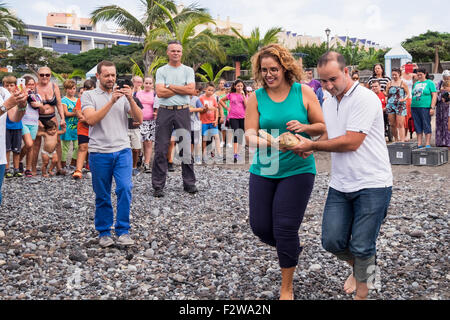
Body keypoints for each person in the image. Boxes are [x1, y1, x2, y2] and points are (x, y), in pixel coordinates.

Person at [290, 51, 393, 300]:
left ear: (346, 72)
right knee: (332, 241)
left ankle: (362, 293)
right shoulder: (328, 99)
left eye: (332, 79)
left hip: (373, 183)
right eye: (323, 81)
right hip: (341, 183)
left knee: (361, 245)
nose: (328, 85)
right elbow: (333, 133)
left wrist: (312, 146)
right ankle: (363, 269)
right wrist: (311, 143)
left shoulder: (365, 99)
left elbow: (351, 142)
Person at [245, 43, 326, 300]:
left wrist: (303, 127)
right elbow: (249, 134)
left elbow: (321, 127)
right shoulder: (255, 97)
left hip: (298, 168)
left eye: (274, 69)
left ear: (284, 68)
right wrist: (271, 141)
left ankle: (287, 287)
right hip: (265, 167)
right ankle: (290, 249)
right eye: (264, 70)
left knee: (285, 227)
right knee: (259, 227)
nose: (269, 74)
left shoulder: (303, 92)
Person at [81, 60, 143, 248]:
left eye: (113, 75)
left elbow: (139, 119)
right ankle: (104, 231)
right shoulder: (89, 96)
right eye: (107, 75)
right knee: (102, 194)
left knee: (125, 188)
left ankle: (123, 230)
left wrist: (130, 98)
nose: (111, 78)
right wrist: (112, 101)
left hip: (122, 149)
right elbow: (91, 120)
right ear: (98, 76)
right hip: (99, 152)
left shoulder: (124, 95)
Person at [152, 40, 197, 198]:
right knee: (161, 149)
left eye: (178, 51)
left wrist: (170, 86)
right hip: (165, 111)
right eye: (173, 51)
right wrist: (181, 89)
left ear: (182, 53)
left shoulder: (188, 70)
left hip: (183, 111)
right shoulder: (161, 70)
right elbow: (160, 93)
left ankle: (189, 183)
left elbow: (191, 90)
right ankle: (158, 185)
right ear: (167, 52)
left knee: (185, 147)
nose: (176, 53)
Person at [33, 66, 66, 176]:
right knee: (36, 143)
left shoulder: (54, 86)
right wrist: (36, 121)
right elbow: (30, 106)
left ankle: (59, 167)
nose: (44, 77)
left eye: (47, 75)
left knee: (57, 142)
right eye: (42, 75)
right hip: (38, 117)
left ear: (50, 75)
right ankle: (32, 168)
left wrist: (62, 118)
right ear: (38, 75)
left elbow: (59, 104)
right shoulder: (35, 87)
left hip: (51, 116)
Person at [0, 80, 28, 205]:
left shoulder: (3, 92)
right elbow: (5, 107)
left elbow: (15, 117)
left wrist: (22, 105)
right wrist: (5, 106)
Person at [20, 76, 44, 177]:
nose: (31, 86)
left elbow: (42, 111)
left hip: (34, 122)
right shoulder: (22, 95)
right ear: (24, 85)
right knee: (29, 144)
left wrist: (40, 105)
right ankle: (19, 159)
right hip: (23, 122)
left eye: (32, 84)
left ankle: (28, 168)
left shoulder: (38, 96)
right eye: (28, 84)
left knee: (31, 147)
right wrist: (25, 94)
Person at [219, 79, 247, 163]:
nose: (239, 87)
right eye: (238, 86)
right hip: (233, 117)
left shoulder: (244, 95)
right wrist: (226, 107)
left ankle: (238, 153)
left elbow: (247, 106)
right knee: (236, 133)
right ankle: (235, 153)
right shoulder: (230, 95)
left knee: (241, 134)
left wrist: (244, 96)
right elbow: (220, 100)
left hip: (243, 117)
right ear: (235, 86)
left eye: (241, 86)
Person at [73, 79, 96, 179]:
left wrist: (88, 119)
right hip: (83, 128)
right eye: (87, 89)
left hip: (94, 127)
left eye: (90, 89)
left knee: (93, 149)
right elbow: (78, 111)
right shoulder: (81, 99)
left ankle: (92, 168)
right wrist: (84, 119)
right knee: (82, 147)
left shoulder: (97, 98)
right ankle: (78, 170)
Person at [3, 76, 24, 178]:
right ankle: (6, 169)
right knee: (6, 149)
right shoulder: (2, 98)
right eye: (7, 85)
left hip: (17, 126)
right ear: (3, 86)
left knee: (16, 149)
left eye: (11, 85)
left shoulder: (18, 96)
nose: (9, 88)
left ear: (15, 86)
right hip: (6, 127)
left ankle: (16, 169)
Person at [411, 68, 437, 148]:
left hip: (425, 107)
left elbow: (434, 95)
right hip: (415, 107)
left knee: (426, 124)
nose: (419, 76)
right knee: (417, 125)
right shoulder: (415, 83)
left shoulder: (430, 83)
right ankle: (419, 143)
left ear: (425, 74)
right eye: (418, 75)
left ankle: (427, 143)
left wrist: (432, 107)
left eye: (420, 74)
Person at [136, 77, 156, 173]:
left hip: (151, 121)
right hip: (139, 121)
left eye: (150, 83)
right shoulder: (138, 93)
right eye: (146, 83)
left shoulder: (155, 94)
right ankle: (139, 158)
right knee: (138, 142)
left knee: (148, 142)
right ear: (143, 84)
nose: (148, 85)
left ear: (152, 84)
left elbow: (157, 107)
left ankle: (147, 163)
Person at [200, 82, 223, 163]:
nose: (210, 92)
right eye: (209, 90)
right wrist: (206, 109)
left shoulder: (213, 98)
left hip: (212, 121)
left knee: (216, 137)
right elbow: (200, 110)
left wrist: (216, 119)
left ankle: (219, 154)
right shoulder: (201, 98)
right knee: (205, 138)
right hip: (204, 122)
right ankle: (204, 154)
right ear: (205, 89)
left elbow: (216, 109)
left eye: (212, 90)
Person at [385, 68, 410, 142]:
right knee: (392, 124)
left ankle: (402, 140)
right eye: (393, 75)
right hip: (391, 105)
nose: (394, 76)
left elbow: (408, 93)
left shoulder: (403, 83)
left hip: (400, 105)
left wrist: (404, 99)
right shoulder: (389, 83)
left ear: (399, 74)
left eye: (395, 75)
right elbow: (387, 94)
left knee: (400, 124)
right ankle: (396, 139)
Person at [60, 79, 79, 170]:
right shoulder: (64, 100)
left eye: (74, 88)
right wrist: (76, 112)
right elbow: (66, 113)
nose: (72, 91)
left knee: (78, 146)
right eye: (70, 89)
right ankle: (63, 164)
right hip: (67, 126)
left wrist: (77, 112)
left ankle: (73, 162)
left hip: (77, 127)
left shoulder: (78, 100)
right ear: (66, 89)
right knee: (65, 147)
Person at [127, 82, 144, 176]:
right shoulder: (119, 100)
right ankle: (127, 167)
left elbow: (141, 113)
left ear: (132, 89)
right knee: (126, 149)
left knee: (136, 148)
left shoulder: (136, 100)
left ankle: (134, 167)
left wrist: (138, 121)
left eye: (129, 88)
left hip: (134, 128)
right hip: (124, 128)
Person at [401, 63, 418, 141]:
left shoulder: (412, 75)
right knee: (402, 116)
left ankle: (406, 133)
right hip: (402, 97)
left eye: (410, 66)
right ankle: (402, 134)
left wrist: (416, 67)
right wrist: (401, 68)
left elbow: (420, 76)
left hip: (410, 97)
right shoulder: (401, 73)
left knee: (408, 116)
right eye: (407, 66)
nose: (408, 68)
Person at [190, 86, 205, 164]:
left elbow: (202, 109)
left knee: (196, 141)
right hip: (185, 124)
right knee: (190, 142)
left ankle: (197, 156)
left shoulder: (196, 99)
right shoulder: (183, 99)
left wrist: (193, 109)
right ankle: (190, 156)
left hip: (195, 123)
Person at [435, 80, 450, 147]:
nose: (445, 88)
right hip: (440, 113)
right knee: (440, 126)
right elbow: (438, 100)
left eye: (447, 86)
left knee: (447, 127)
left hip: (447, 113)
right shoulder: (441, 93)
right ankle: (440, 142)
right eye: (444, 86)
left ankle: (447, 142)